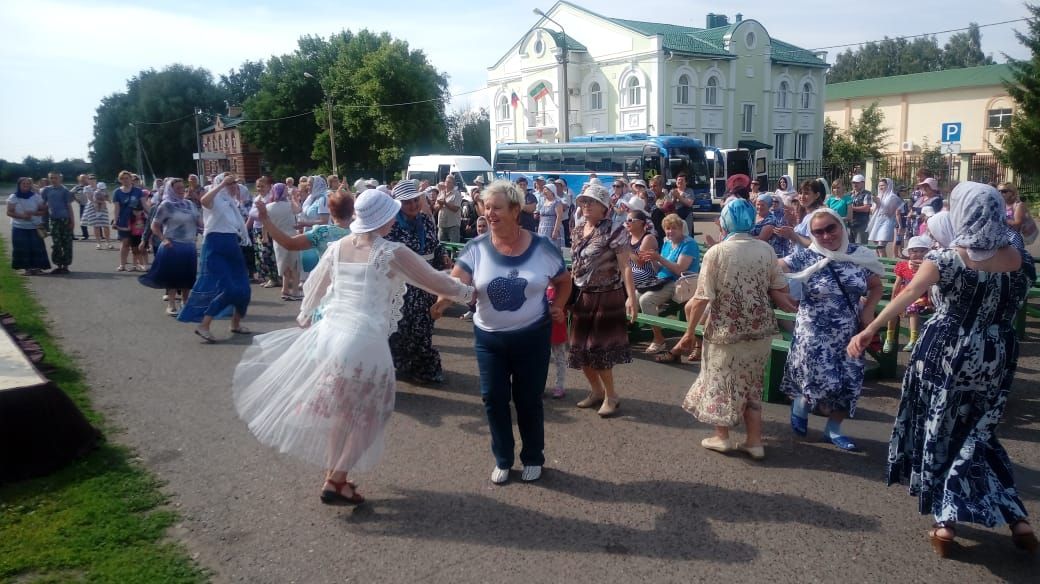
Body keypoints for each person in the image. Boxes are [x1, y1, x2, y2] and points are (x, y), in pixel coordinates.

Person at [233, 189, 474, 505]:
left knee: (344, 414)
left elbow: (316, 285)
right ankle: (335, 479)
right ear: (384, 218)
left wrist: (306, 315)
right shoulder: (390, 251)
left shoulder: (338, 246)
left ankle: (336, 477)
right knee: (369, 416)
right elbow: (434, 281)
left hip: (331, 336)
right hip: (362, 341)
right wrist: (470, 293)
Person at [848, 182, 1038, 557]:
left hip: (946, 351)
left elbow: (905, 296)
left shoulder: (947, 258)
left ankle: (946, 521)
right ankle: (1018, 518)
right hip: (997, 351)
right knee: (979, 431)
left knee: (942, 429)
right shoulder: (1019, 256)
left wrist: (869, 328)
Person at [440, 179, 570, 484]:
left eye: (497, 207)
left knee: (528, 399)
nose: (490, 213)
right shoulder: (476, 248)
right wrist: (440, 300)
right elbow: (454, 283)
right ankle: (503, 458)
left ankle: (533, 456)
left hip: (532, 336)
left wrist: (559, 306)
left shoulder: (542, 247)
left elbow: (564, 280)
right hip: (489, 339)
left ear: (515, 210)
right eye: (487, 207)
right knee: (493, 398)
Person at [678, 199, 794, 459]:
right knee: (752, 385)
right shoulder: (766, 250)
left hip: (725, 331)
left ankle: (722, 437)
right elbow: (780, 288)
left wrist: (689, 332)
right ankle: (754, 441)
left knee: (722, 383)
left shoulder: (717, 252)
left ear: (725, 221)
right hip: (760, 330)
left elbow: (701, 298)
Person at [778, 207, 885, 452]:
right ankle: (801, 403)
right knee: (820, 381)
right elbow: (772, 267)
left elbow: (876, 286)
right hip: (813, 332)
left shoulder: (860, 254)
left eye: (830, 228)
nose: (826, 236)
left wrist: (868, 312)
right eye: (818, 232)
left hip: (850, 332)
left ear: (840, 226)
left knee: (850, 382)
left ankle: (833, 430)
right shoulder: (807, 256)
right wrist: (777, 293)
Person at [568, 184, 638, 418]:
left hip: (607, 295)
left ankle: (611, 396)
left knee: (599, 349)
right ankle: (596, 391)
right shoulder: (578, 229)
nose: (585, 205)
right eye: (583, 201)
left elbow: (625, 265)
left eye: (591, 202)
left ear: (604, 207)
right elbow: (576, 263)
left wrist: (631, 298)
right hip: (582, 294)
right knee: (579, 349)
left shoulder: (615, 230)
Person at [385, 180, 452, 384]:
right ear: (398, 204)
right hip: (405, 285)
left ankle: (426, 368)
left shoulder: (425, 219)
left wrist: (443, 255)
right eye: (407, 202)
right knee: (403, 328)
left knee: (423, 327)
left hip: (427, 282)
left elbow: (435, 243)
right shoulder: (392, 225)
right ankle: (405, 365)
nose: (413, 205)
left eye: (415, 200)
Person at [177, 173, 252, 343]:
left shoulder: (231, 202)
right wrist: (220, 185)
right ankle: (204, 325)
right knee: (227, 288)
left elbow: (238, 225)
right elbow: (203, 201)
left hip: (232, 245)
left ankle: (235, 324)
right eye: (230, 184)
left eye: (234, 183)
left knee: (244, 288)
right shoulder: (214, 199)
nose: (234, 187)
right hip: (215, 246)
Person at [138, 178, 203, 316]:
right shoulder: (166, 205)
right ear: (171, 190)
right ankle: (171, 304)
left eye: (182, 188)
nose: (181, 191)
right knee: (173, 276)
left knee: (188, 276)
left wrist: (209, 229)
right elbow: (154, 226)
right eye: (177, 188)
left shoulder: (190, 204)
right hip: (172, 245)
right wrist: (163, 239)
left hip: (189, 245)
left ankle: (186, 302)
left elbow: (199, 223)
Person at [639, 213, 699, 357]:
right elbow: (660, 269)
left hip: (678, 282)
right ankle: (629, 330)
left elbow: (679, 269)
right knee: (633, 296)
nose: (670, 231)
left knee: (646, 300)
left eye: (673, 228)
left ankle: (659, 339)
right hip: (661, 280)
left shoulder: (688, 244)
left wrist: (659, 257)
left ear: (681, 229)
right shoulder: (667, 243)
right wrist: (652, 260)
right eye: (667, 228)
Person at [882, 236, 933, 353]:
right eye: (914, 251)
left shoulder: (928, 266)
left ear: (927, 253)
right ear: (909, 253)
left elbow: (929, 286)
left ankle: (913, 339)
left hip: (920, 296)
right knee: (892, 309)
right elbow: (897, 283)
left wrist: (930, 301)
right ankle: (889, 338)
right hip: (904, 294)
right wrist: (893, 298)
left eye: (922, 251)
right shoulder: (903, 266)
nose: (918, 254)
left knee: (913, 309)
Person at [6, 177, 51, 275]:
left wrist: (33, 213)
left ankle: (38, 269)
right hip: (19, 227)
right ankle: (27, 269)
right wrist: (22, 216)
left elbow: (44, 211)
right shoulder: (13, 197)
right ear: (19, 185)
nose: (26, 185)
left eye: (28, 184)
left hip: (35, 226)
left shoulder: (36, 196)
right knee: (23, 248)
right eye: (24, 184)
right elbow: (9, 212)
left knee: (37, 248)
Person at [266, 183, 303, 301]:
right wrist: (293, 198)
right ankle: (295, 292)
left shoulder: (269, 207)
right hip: (291, 237)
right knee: (295, 265)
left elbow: (266, 223)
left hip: (278, 238)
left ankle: (285, 289)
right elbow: (299, 210)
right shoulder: (289, 205)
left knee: (284, 265)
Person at [112, 170, 148, 272]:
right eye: (122, 178)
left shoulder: (138, 191)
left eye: (127, 178)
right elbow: (116, 208)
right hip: (123, 220)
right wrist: (115, 220)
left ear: (131, 179)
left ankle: (138, 264)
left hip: (137, 221)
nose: (125, 180)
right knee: (125, 243)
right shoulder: (117, 192)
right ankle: (122, 264)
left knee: (136, 244)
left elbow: (144, 205)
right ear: (120, 180)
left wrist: (151, 215)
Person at [40, 172, 75, 274]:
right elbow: (43, 204)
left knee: (67, 243)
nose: (53, 180)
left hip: (65, 219)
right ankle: (58, 265)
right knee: (56, 243)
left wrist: (72, 221)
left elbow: (69, 206)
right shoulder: (46, 190)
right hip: (53, 220)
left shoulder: (64, 191)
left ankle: (66, 265)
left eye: (55, 178)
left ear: (60, 179)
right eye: (51, 178)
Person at [867, 177, 901, 257]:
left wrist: (880, 203)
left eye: (883, 185)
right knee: (876, 246)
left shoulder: (892, 197)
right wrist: (876, 204)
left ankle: (884, 265)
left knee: (881, 246)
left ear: (888, 186)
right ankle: (880, 264)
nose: (881, 187)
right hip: (877, 220)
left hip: (887, 221)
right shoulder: (879, 196)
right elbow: (873, 211)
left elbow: (890, 213)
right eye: (879, 186)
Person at [546, 283, 569, 399]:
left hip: (558, 330)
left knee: (559, 360)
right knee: (541, 361)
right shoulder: (542, 288)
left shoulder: (562, 290)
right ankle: (540, 386)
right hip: (543, 331)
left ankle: (559, 386)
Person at [84, 180, 113, 249]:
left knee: (106, 226)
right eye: (90, 179)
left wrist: (107, 199)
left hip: (103, 210)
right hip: (94, 209)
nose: (102, 189)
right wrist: (102, 201)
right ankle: (98, 243)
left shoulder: (104, 191)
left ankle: (108, 243)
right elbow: (92, 199)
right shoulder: (94, 191)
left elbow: (108, 198)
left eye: (94, 179)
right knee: (96, 226)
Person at [536, 182, 565, 249]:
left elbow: (559, 216)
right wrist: (539, 229)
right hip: (543, 229)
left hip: (552, 229)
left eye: (546, 190)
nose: (544, 191)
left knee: (553, 248)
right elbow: (541, 217)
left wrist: (555, 231)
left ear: (552, 191)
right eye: (544, 190)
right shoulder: (544, 202)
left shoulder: (557, 202)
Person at [434, 174, 462, 242]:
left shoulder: (457, 194)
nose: (447, 183)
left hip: (453, 225)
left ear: (453, 184)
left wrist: (445, 203)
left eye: (449, 182)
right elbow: (435, 208)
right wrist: (440, 205)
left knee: (454, 248)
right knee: (441, 246)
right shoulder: (441, 193)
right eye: (446, 181)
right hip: (441, 224)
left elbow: (456, 209)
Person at [848, 174, 873, 245]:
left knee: (861, 247)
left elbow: (866, 208)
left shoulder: (867, 194)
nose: (855, 184)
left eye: (857, 182)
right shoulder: (849, 194)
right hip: (850, 225)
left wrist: (851, 208)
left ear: (863, 183)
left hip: (861, 225)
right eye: (853, 182)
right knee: (849, 248)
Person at [70, 174, 91, 240]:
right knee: (82, 220)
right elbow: (70, 193)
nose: (83, 180)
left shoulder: (91, 186)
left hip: (92, 205)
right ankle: (85, 235)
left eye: (84, 178)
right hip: (83, 205)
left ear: (87, 178)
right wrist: (76, 199)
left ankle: (101, 235)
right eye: (81, 179)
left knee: (97, 220)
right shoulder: (77, 187)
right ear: (79, 179)